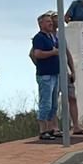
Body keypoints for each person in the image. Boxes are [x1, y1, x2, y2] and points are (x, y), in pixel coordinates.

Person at [30, 11, 62, 140]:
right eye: (48, 22)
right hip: (45, 75)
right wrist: (52, 53)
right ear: (41, 24)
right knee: (46, 103)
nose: (51, 23)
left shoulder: (52, 37)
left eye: (51, 21)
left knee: (54, 104)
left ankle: (50, 128)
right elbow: (37, 54)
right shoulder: (39, 38)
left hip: (54, 73)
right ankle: (42, 130)